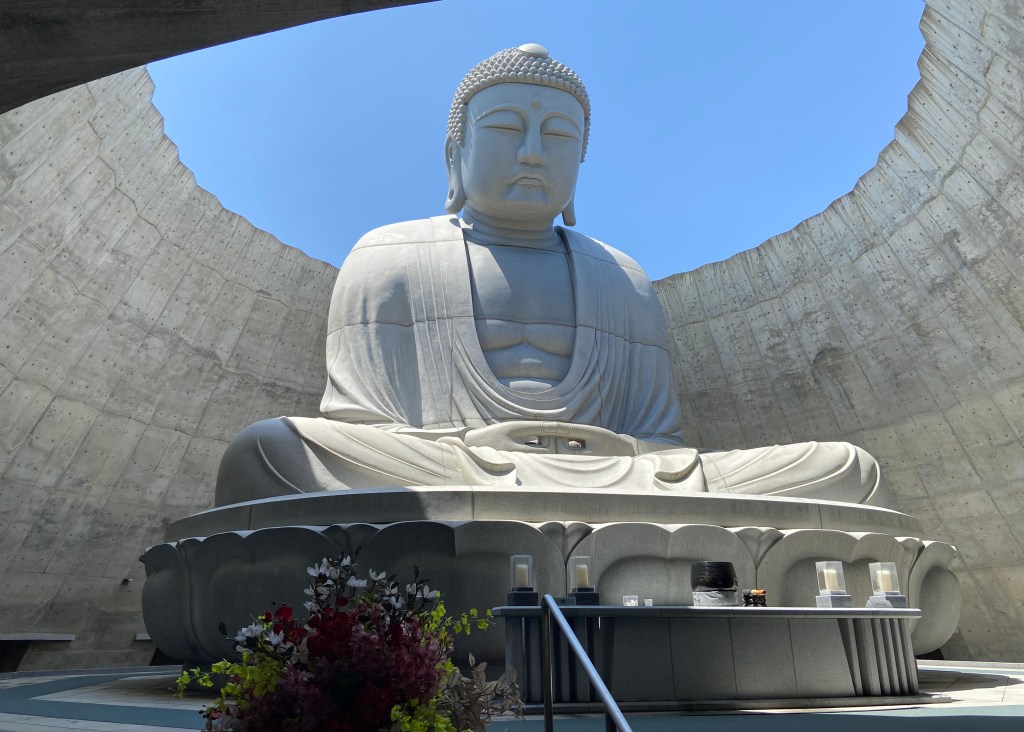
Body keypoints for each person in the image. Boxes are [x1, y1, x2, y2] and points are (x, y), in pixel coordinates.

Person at [215, 44, 892, 509]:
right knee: (271, 451)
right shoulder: (391, 253)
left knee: (846, 469)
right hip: (448, 473)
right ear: (456, 156)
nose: (535, 152)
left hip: (621, 480)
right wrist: (476, 458)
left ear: (582, 164)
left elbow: (658, 444)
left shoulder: (621, 276)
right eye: (509, 127)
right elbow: (364, 425)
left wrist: (622, 467)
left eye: (560, 136)